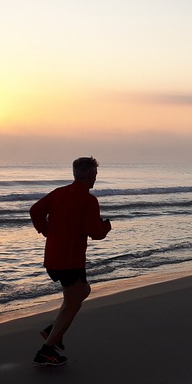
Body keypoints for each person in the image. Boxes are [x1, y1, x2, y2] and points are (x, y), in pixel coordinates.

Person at [29, 157, 112, 366]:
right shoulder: (88, 200)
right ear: (91, 175)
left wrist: (47, 231)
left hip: (54, 258)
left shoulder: (59, 193)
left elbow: (35, 210)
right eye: (95, 174)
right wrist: (106, 227)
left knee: (81, 292)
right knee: (74, 301)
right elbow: (94, 232)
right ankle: (47, 349)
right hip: (70, 260)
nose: (95, 178)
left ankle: (53, 330)